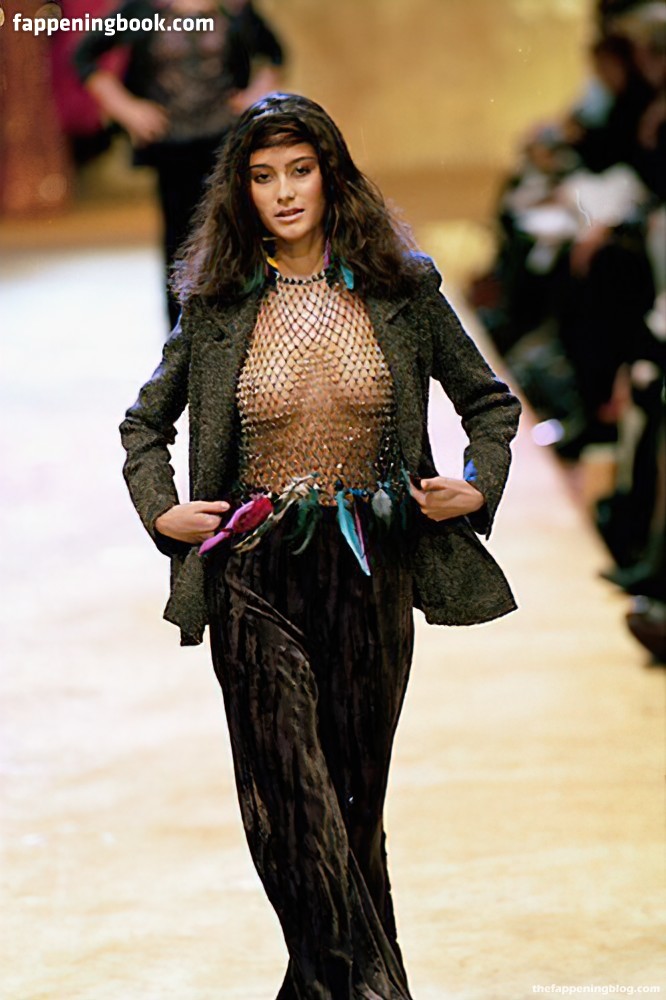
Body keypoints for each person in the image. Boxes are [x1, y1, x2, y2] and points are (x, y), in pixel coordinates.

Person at [119, 92, 521, 999]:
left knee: (353, 813)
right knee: (292, 804)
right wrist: (162, 511)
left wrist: (478, 482)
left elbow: (489, 403)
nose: (285, 192)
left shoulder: (402, 289)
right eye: (263, 177)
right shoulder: (217, 305)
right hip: (253, 571)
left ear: (331, 176)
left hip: (370, 570)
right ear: (242, 193)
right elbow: (143, 424)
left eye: (300, 170)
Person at [75, 0, 284, 325]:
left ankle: (242, 326)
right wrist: (126, 108)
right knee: (179, 239)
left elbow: (275, 55)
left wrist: (254, 97)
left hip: (225, 142)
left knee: (235, 231)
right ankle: (182, 331)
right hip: (170, 145)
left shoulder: (231, 6)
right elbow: (85, 57)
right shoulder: (143, 8)